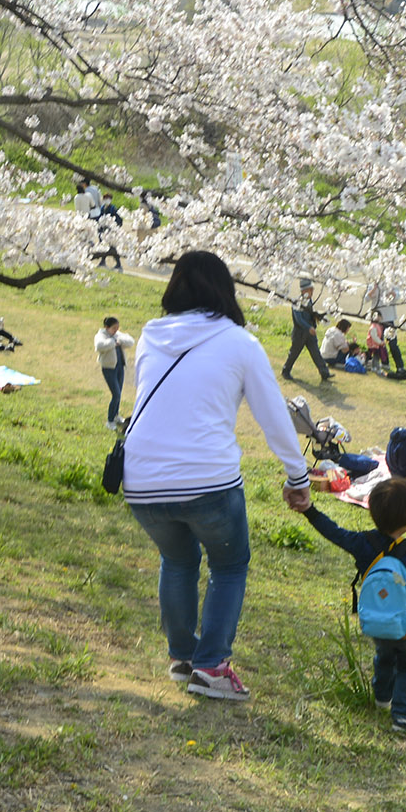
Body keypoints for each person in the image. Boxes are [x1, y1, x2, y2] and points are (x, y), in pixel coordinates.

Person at [123, 251, 310, 702]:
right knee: (229, 566)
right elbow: (274, 418)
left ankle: (184, 657)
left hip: (142, 481)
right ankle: (211, 667)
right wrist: (297, 477)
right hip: (207, 481)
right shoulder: (239, 342)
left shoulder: (150, 333)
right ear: (223, 290)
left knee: (178, 560)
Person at [292, 480, 406, 733]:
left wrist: (309, 511)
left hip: (378, 621)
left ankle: (381, 698)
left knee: (385, 659)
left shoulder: (362, 543)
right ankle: (403, 718)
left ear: (371, 512)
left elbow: (333, 532)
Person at [282, 279, 334, 382]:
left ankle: (324, 373)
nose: (312, 291)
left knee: (316, 353)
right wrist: (308, 328)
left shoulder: (309, 301)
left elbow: (310, 313)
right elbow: (299, 320)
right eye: (310, 290)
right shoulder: (297, 302)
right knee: (294, 353)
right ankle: (286, 371)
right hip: (300, 334)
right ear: (304, 291)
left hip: (310, 333)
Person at [95, 316, 136, 429]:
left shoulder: (117, 335)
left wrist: (119, 340)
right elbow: (99, 346)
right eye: (114, 328)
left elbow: (130, 341)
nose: (116, 330)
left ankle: (116, 415)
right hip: (109, 369)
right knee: (116, 394)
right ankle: (110, 420)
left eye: (117, 328)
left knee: (119, 393)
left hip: (119, 367)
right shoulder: (101, 336)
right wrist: (114, 342)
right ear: (106, 327)